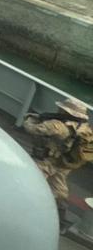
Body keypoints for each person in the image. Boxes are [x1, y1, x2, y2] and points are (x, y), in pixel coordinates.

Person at [24, 99, 93, 231]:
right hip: (64, 164)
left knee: (31, 183)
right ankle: (60, 221)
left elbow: (32, 129)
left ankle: (25, 210)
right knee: (60, 192)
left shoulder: (57, 125)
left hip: (47, 161)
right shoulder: (84, 128)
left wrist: (30, 118)